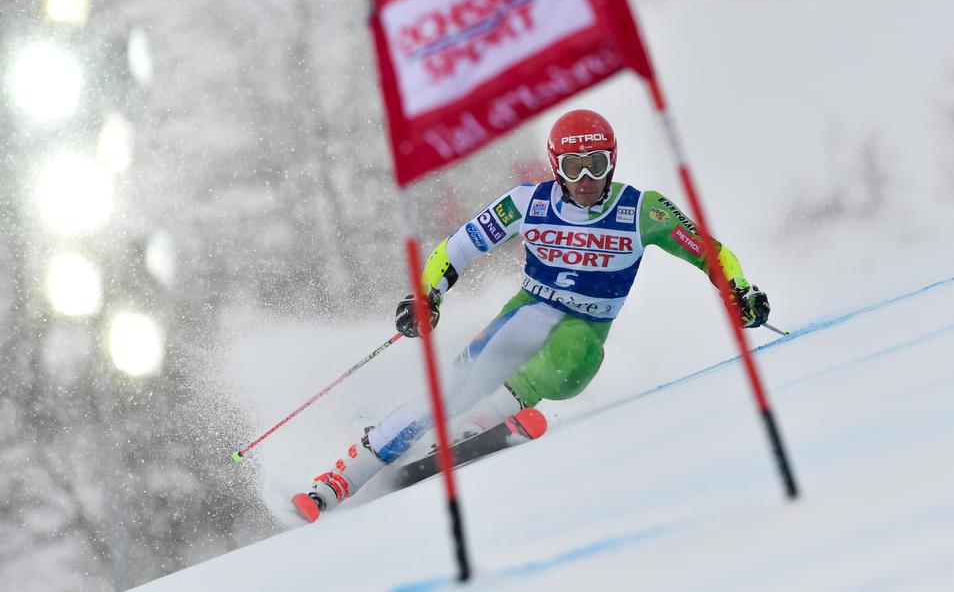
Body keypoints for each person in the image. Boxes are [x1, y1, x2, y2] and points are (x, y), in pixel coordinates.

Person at [293, 109, 770, 521]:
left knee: (575, 353)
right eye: (573, 166)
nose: (586, 179)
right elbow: (457, 247)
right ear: (556, 167)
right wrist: (427, 295)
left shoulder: (640, 209)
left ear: (612, 162)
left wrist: (740, 292)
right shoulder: (529, 202)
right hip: (525, 316)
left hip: (582, 328)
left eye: (596, 164)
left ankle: (479, 424)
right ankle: (339, 479)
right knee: (451, 392)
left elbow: (710, 252)